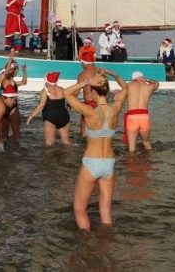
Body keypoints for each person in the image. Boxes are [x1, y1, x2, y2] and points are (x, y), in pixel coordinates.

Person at [64, 68, 128, 230]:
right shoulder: (115, 109)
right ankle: (106, 242)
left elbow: (66, 94)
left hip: (91, 163)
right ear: (107, 91)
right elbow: (125, 88)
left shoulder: (91, 113)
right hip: (109, 164)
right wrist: (113, 74)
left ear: (92, 91)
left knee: (79, 208)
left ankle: (87, 246)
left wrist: (86, 82)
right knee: (106, 211)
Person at [0, 57, 28, 141]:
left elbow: (24, 82)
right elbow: (6, 73)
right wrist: (10, 60)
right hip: (4, 108)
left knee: (16, 134)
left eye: (17, 69)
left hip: (13, 108)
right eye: (15, 69)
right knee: (5, 135)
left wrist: (24, 71)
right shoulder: (5, 79)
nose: (17, 71)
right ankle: (5, 151)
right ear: (11, 69)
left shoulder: (13, 81)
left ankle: (15, 151)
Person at [27, 72, 71, 146]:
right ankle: (69, 156)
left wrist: (31, 116)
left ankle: (50, 157)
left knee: (49, 144)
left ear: (46, 80)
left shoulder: (44, 91)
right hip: (64, 116)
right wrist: (69, 106)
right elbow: (70, 100)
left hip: (51, 117)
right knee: (66, 142)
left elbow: (41, 106)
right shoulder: (62, 89)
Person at [123, 71, 159, 152]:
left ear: (133, 79)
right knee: (147, 143)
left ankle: (132, 162)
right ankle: (149, 161)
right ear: (142, 77)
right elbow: (157, 84)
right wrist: (147, 80)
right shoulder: (149, 86)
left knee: (131, 148)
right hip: (144, 116)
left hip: (132, 116)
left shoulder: (128, 86)